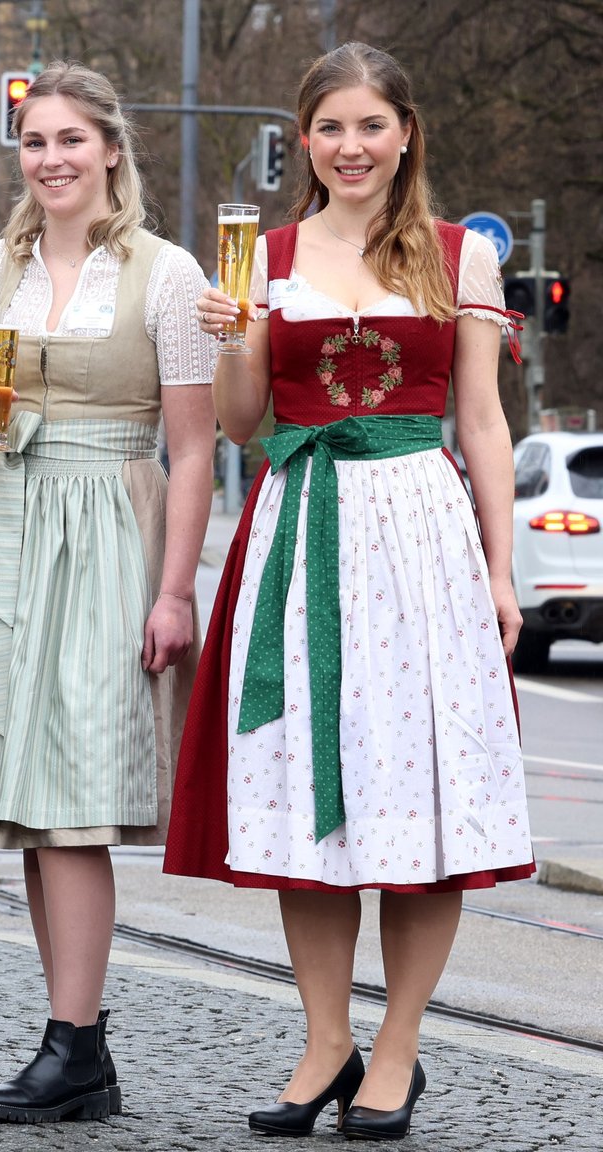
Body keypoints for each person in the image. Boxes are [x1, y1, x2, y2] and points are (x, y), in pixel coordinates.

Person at [168, 42, 533, 1141]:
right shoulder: (260, 256)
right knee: (302, 802)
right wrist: (234, 345)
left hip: (418, 529)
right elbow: (238, 427)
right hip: (300, 528)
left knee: (419, 797)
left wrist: (499, 570)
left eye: (370, 124)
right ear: (304, 140)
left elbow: (479, 421)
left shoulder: (459, 254)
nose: (351, 146)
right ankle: (323, 1037)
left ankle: (396, 1047)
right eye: (330, 127)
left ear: (404, 133)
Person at [0, 62, 217, 1123]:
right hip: (6, 522)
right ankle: (72, 1042)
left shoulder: (166, 274)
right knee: (32, 807)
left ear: (109, 150)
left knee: (77, 805)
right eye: (33, 142)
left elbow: (192, 453)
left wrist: (173, 591)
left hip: (106, 525)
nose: (49, 159)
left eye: (68, 140)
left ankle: (73, 1043)